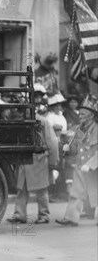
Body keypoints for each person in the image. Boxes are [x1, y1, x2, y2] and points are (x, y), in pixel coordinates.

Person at [6, 92, 60, 225]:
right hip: (25, 159)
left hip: (39, 158)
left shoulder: (42, 121)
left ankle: (44, 215)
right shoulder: (20, 122)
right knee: (21, 189)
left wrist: (53, 162)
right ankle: (19, 215)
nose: (21, 111)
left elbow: (52, 142)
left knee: (42, 190)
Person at [56, 95, 98, 227]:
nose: (81, 116)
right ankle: (71, 218)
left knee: (96, 192)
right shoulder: (80, 128)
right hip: (81, 165)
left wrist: (91, 164)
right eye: (80, 114)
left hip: (94, 167)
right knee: (76, 192)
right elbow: (74, 145)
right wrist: (67, 146)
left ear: (91, 115)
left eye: (84, 114)